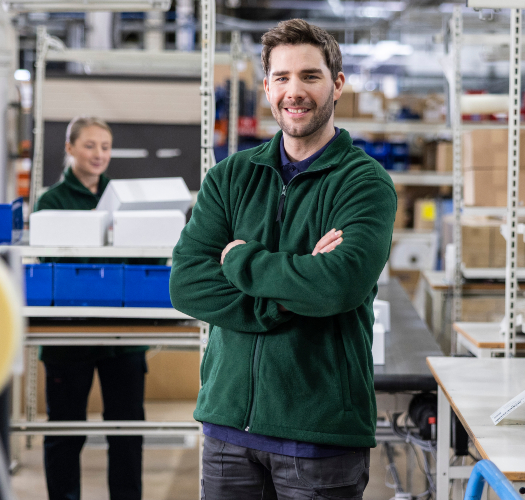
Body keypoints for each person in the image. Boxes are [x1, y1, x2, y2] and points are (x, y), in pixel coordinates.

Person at [169, 19, 397, 500]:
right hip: (227, 426)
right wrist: (285, 298)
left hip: (318, 433)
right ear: (268, 87)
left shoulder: (364, 183)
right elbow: (187, 283)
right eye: (282, 78)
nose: (295, 92)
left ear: (336, 83)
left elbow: (338, 285)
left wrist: (241, 261)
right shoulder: (232, 176)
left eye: (310, 76)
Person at [34, 116, 146, 500]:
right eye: (89, 145)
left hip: (124, 334)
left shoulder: (126, 200)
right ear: (69, 148)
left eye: (105, 146)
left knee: (128, 433)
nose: (99, 154)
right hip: (69, 333)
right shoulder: (51, 201)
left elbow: (141, 258)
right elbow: (49, 265)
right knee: (66, 433)